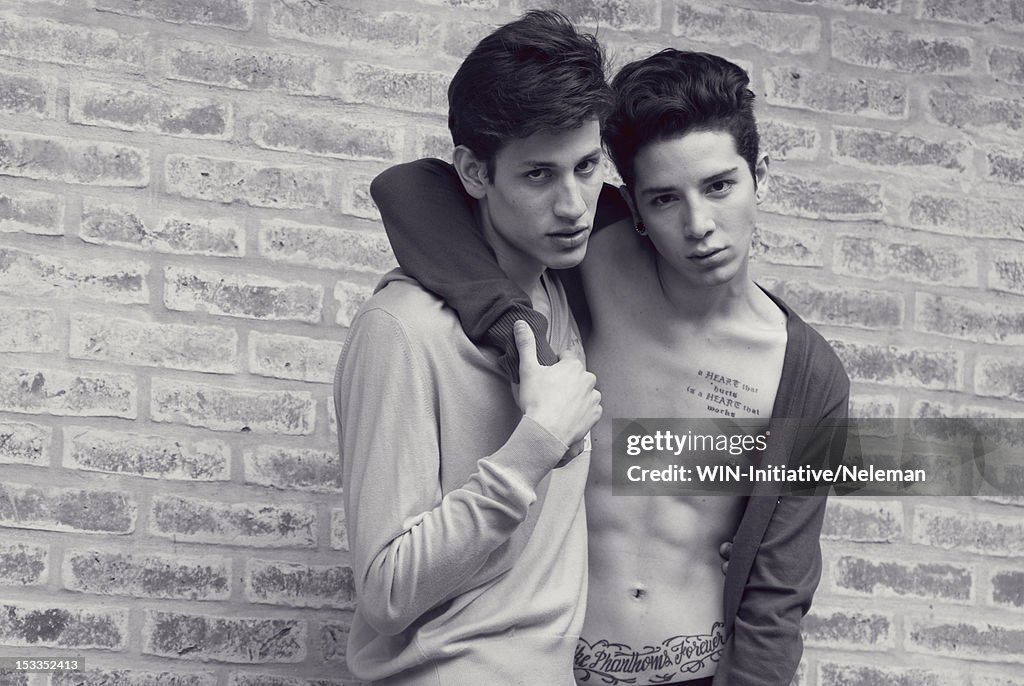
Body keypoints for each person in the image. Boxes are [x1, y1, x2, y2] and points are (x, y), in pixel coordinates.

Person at [370, 49, 850, 686]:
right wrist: (521, 341)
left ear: (760, 175)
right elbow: (410, 190)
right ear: (637, 206)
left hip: (694, 673)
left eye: (719, 186)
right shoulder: (595, 258)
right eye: (663, 200)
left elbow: (777, 592)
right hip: (548, 669)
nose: (699, 225)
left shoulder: (808, 376)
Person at [333, 11, 612, 684]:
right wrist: (533, 446)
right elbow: (385, 587)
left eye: (588, 166)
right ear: (473, 171)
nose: (575, 204)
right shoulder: (401, 330)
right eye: (539, 176)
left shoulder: (563, 294)